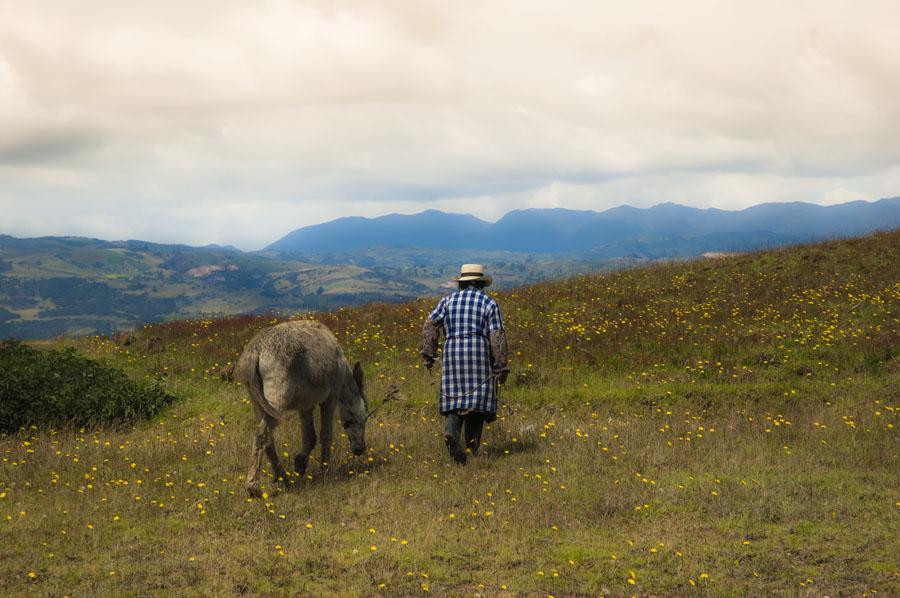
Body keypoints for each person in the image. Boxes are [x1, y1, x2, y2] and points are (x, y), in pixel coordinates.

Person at [421, 264, 509, 464]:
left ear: (462, 283)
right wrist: (501, 365)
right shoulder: (489, 303)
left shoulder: (447, 301)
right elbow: (496, 335)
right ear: (480, 284)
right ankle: (471, 448)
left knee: (454, 401)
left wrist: (428, 353)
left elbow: (430, 324)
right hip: (478, 355)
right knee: (477, 405)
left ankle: (451, 432)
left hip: (452, 355)